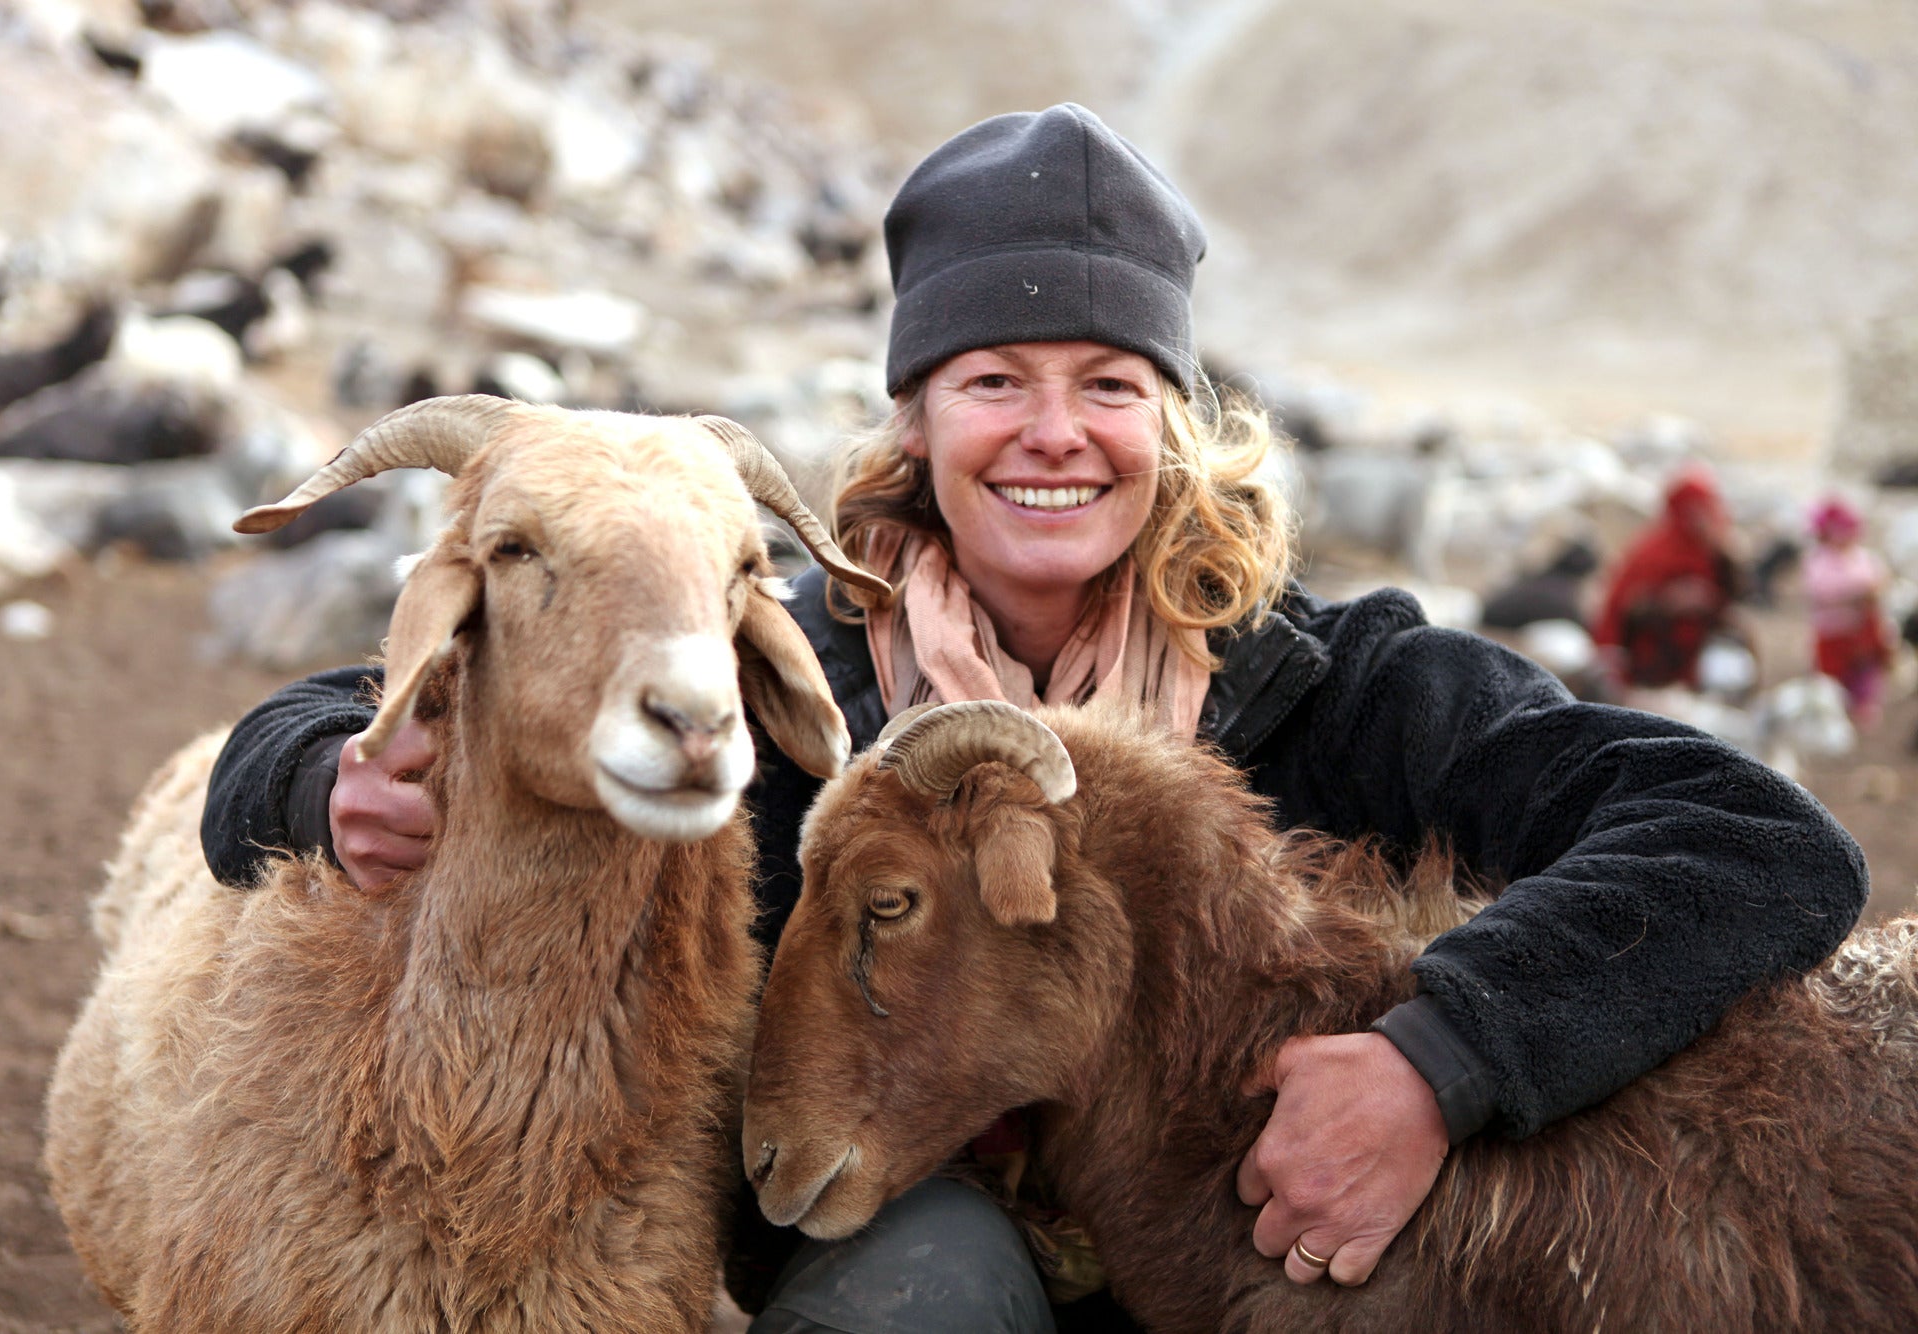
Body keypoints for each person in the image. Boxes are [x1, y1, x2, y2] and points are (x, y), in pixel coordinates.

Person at [201, 105, 1866, 1332]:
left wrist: (1442, 1058)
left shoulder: (1328, 684)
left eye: (1109, 385)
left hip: (1254, 1237)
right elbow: (334, 720)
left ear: (1175, 421)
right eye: (995, 380)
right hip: (893, 1221)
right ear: (915, 420)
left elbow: (1757, 844)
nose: (1052, 435)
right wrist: (327, 781)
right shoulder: (796, 686)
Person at [1591, 463, 1749, 692]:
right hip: (1652, 661)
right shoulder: (1651, 552)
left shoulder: (1715, 549)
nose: (1700, 516)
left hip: (1698, 655)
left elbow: (1733, 593)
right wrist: (1669, 601)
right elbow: (1621, 608)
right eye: (1692, 508)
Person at [1803, 493, 1893, 727]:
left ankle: (1864, 707)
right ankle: (1835, 712)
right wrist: (1852, 595)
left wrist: (1871, 592)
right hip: (1834, 631)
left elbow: (1880, 579)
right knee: (1832, 679)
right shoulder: (1819, 561)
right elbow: (1821, 591)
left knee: (1865, 672)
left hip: (1861, 630)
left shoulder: (1863, 557)